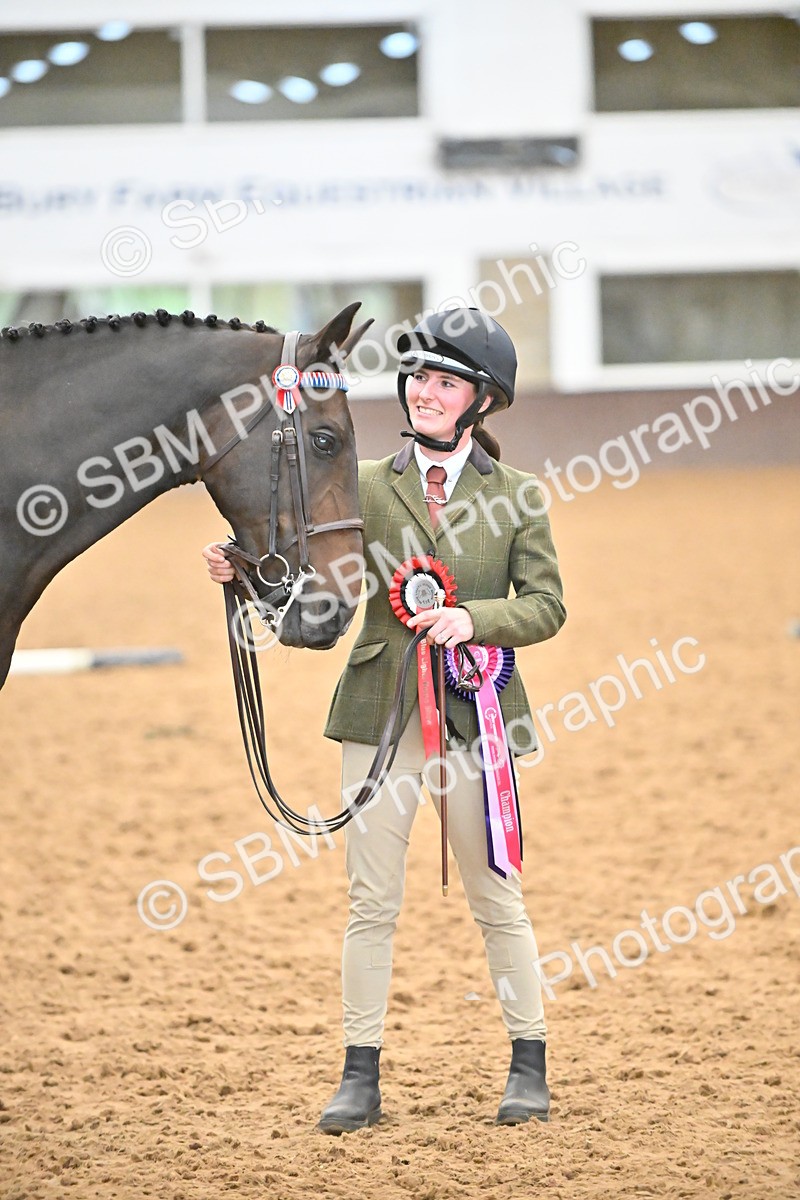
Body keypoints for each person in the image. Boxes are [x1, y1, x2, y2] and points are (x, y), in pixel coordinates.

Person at [202, 308, 566, 1132]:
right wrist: (244, 576)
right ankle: (359, 1076)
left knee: (497, 898)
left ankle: (529, 1062)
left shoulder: (517, 498)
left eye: (446, 381)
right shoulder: (364, 485)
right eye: (419, 378)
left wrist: (474, 620)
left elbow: (546, 606)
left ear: (482, 400)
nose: (426, 392)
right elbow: (313, 587)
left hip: (477, 718)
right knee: (371, 903)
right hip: (380, 714)